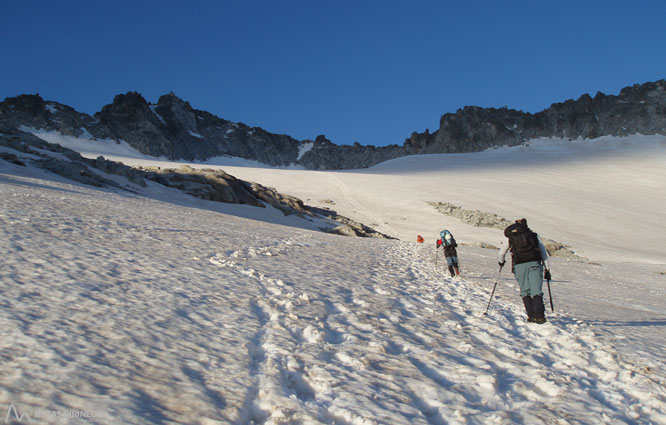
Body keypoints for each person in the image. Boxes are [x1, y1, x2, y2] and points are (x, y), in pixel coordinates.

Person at [498, 218, 551, 324]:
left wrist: (501, 262)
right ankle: (539, 316)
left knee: (525, 291)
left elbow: (501, 253)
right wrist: (547, 269)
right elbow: (544, 254)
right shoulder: (533, 236)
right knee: (536, 290)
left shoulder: (511, 237)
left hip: (519, 266)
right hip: (535, 264)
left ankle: (531, 316)